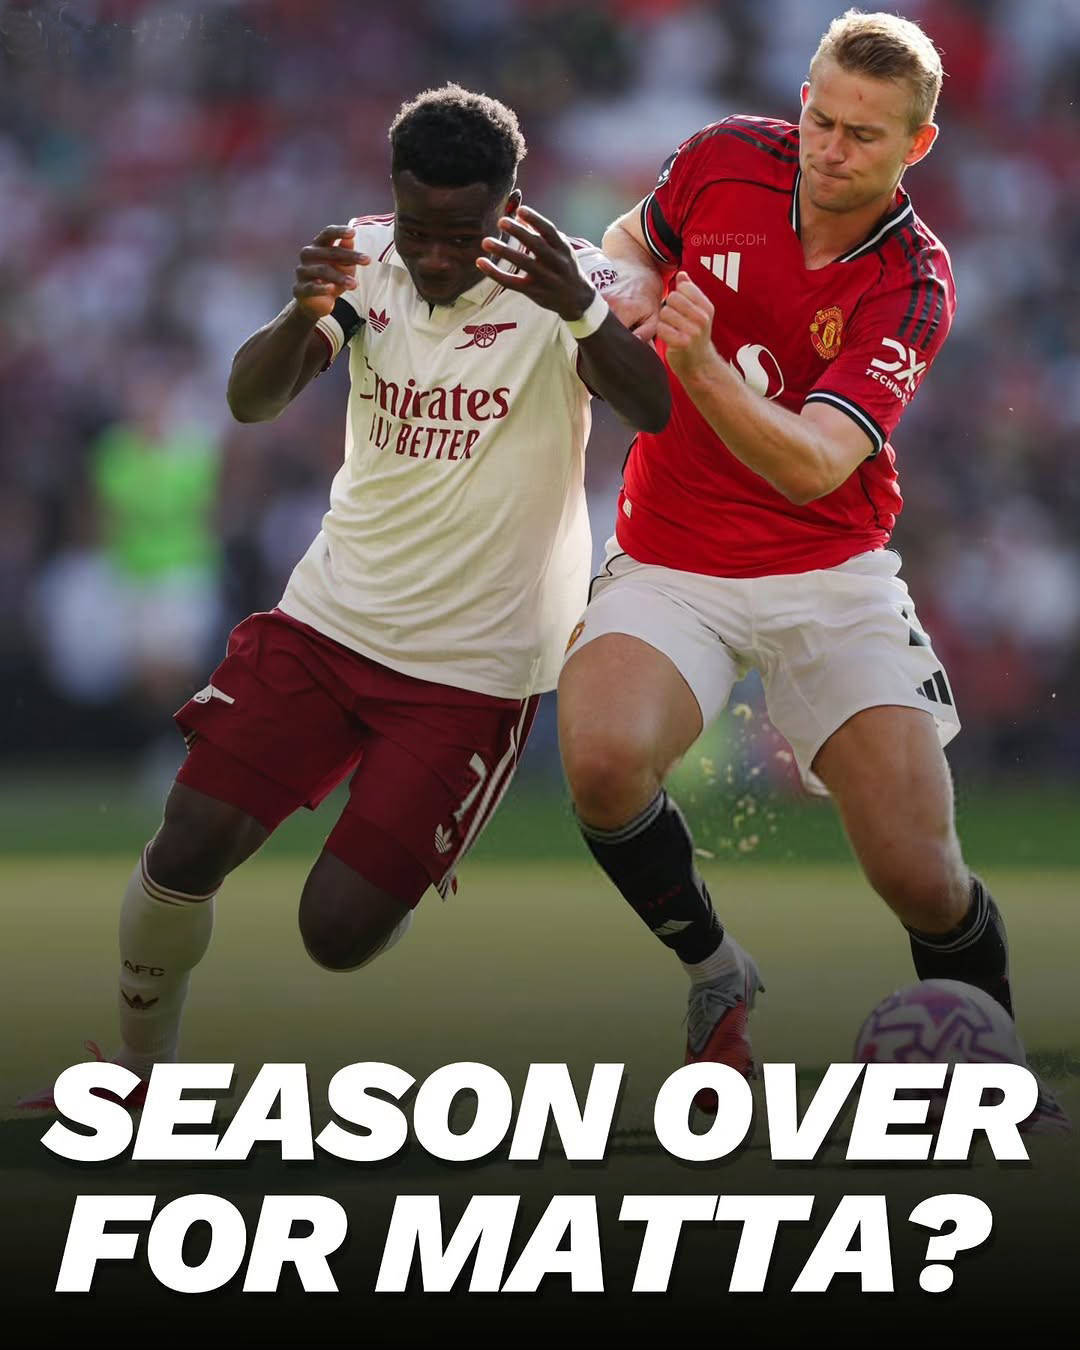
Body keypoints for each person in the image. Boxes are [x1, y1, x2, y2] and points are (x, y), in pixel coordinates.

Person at [19, 84, 668, 1110]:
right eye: (419, 229)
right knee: (185, 846)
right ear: (393, 198)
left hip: (473, 669)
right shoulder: (364, 258)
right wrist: (303, 312)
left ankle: (392, 871)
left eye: (461, 235)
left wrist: (583, 311)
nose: (436, 257)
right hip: (329, 621)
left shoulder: (573, 280)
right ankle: (139, 1079)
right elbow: (250, 400)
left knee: (336, 932)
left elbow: (656, 408)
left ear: (509, 209)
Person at [556, 11, 1068, 1130]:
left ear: (917, 146)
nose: (830, 150)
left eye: (863, 135)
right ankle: (717, 975)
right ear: (802, 100)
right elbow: (630, 238)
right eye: (821, 119)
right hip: (670, 555)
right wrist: (628, 284)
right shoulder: (724, 156)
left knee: (921, 877)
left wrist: (697, 362)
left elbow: (813, 465)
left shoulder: (914, 281)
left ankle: (996, 1073)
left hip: (829, 570)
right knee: (600, 763)